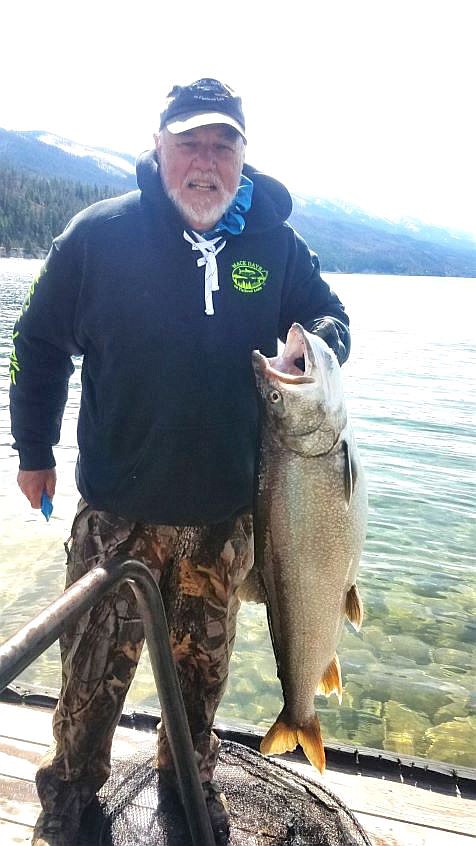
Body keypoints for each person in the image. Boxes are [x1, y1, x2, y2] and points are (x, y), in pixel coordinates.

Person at [10, 78, 351, 846]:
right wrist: (32, 450)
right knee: (90, 683)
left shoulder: (276, 247)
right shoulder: (98, 237)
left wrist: (317, 342)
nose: (205, 161)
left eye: (222, 144)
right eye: (189, 142)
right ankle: (70, 797)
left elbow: (332, 313)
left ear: (242, 157)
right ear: (158, 146)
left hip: (223, 521)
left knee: (199, 682)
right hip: (115, 519)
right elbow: (35, 346)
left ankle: (184, 784)